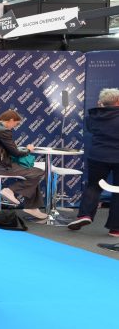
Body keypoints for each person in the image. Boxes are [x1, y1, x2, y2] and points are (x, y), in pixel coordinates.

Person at [70, 89, 119, 233]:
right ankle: (116, 229)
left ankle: (85, 214)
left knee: (94, 186)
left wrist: (102, 108)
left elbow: (90, 129)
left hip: (98, 156)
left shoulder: (93, 116)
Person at [0, 109, 47, 220]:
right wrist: (28, 150)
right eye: (16, 124)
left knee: (32, 172)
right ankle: (10, 190)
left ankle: (33, 207)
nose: (14, 127)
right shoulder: (3, 130)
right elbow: (16, 153)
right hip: (0, 166)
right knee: (38, 172)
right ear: (11, 120)